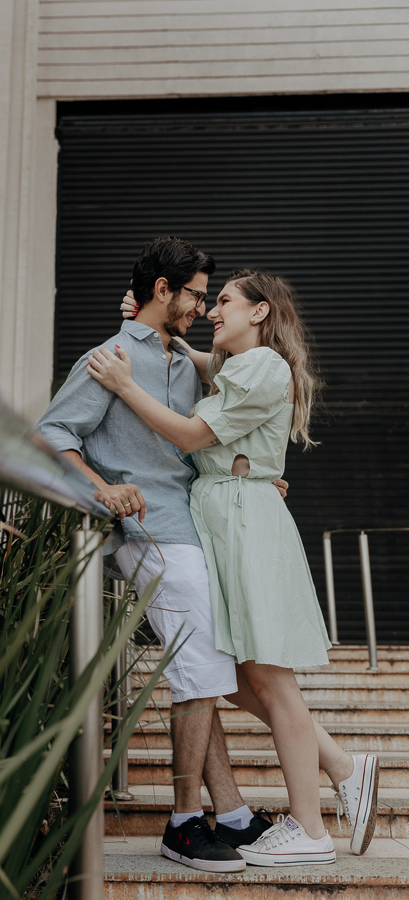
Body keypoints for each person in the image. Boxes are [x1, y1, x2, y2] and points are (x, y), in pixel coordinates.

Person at [88, 269, 379, 866]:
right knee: (235, 674)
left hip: (243, 525)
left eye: (223, 301)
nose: (212, 310)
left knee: (269, 679)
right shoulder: (233, 366)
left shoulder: (264, 366)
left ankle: (310, 828)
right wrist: (148, 318)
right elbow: (188, 356)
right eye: (209, 300)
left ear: (260, 311)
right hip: (223, 521)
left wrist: (124, 384)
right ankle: (342, 765)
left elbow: (192, 435)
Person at [38, 237, 283, 874]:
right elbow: (51, 433)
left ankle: (230, 812)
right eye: (196, 295)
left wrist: (255, 476)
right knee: (203, 662)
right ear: (163, 290)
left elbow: (215, 430)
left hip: (192, 522)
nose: (204, 307)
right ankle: (182, 822)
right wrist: (101, 487)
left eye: (210, 298)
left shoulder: (182, 360)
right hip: (149, 531)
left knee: (204, 667)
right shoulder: (110, 358)